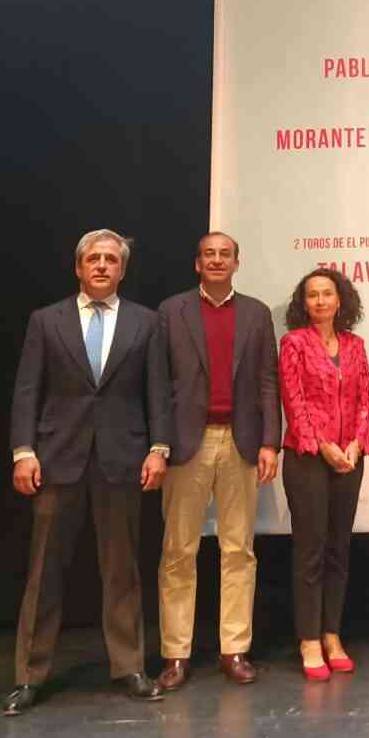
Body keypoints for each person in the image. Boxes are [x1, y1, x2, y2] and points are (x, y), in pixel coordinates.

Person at [3, 229, 169, 715]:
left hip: (122, 459)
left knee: (122, 569)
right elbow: (27, 390)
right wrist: (22, 452)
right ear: (78, 267)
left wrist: (159, 449)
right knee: (44, 571)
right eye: (93, 258)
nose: (101, 266)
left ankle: (129, 666)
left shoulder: (146, 322)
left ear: (122, 270)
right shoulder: (46, 320)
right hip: (57, 459)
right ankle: (29, 675)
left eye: (110, 260)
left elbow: (157, 391)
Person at [155, 232, 280, 688]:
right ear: (197, 263)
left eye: (225, 254)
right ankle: (175, 655)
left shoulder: (257, 313)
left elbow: (268, 381)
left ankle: (234, 649)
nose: (216, 260)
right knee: (178, 551)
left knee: (239, 551)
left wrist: (270, 442)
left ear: (236, 263)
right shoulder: (171, 311)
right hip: (186, 443)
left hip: (241, 443)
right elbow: (158, 383)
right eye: (209, 254)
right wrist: (159, 444)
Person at [278, 267, 369, 680]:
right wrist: (323, 445)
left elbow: (365, 399)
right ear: (304, 303)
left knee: (339, 549)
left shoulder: (355, 345)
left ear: (340, 300)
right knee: (311, 551)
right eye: (312, 295)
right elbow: (293, 400)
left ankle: (332, 634)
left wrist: (355, 443)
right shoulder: (294, 343)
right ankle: (309, 640)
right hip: (307, 458)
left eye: (327, 294)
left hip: (349, 458)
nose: (320, 301)